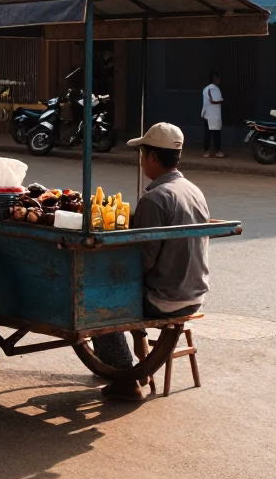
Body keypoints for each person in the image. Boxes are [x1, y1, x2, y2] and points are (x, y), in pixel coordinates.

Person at [92, 122, 211, 402]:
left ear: (153, 158)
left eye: (142, 154)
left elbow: (142, 262)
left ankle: (125, 380)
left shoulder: (155, 198)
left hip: (165, 298)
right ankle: (124, 362)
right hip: (194, 293)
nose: (142, 161)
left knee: (97, 304)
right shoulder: (193, 190)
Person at [201, 72, 224, 158]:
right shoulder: (214, 89)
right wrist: (221, 100)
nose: (219, 81)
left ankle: (206, 151)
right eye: (218, 79)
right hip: (213, 115)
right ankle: (217, 151)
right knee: (215, 134)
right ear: (215, 79)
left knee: (208, 134)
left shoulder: (206, 89)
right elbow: (213, 100)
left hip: (207, 114)